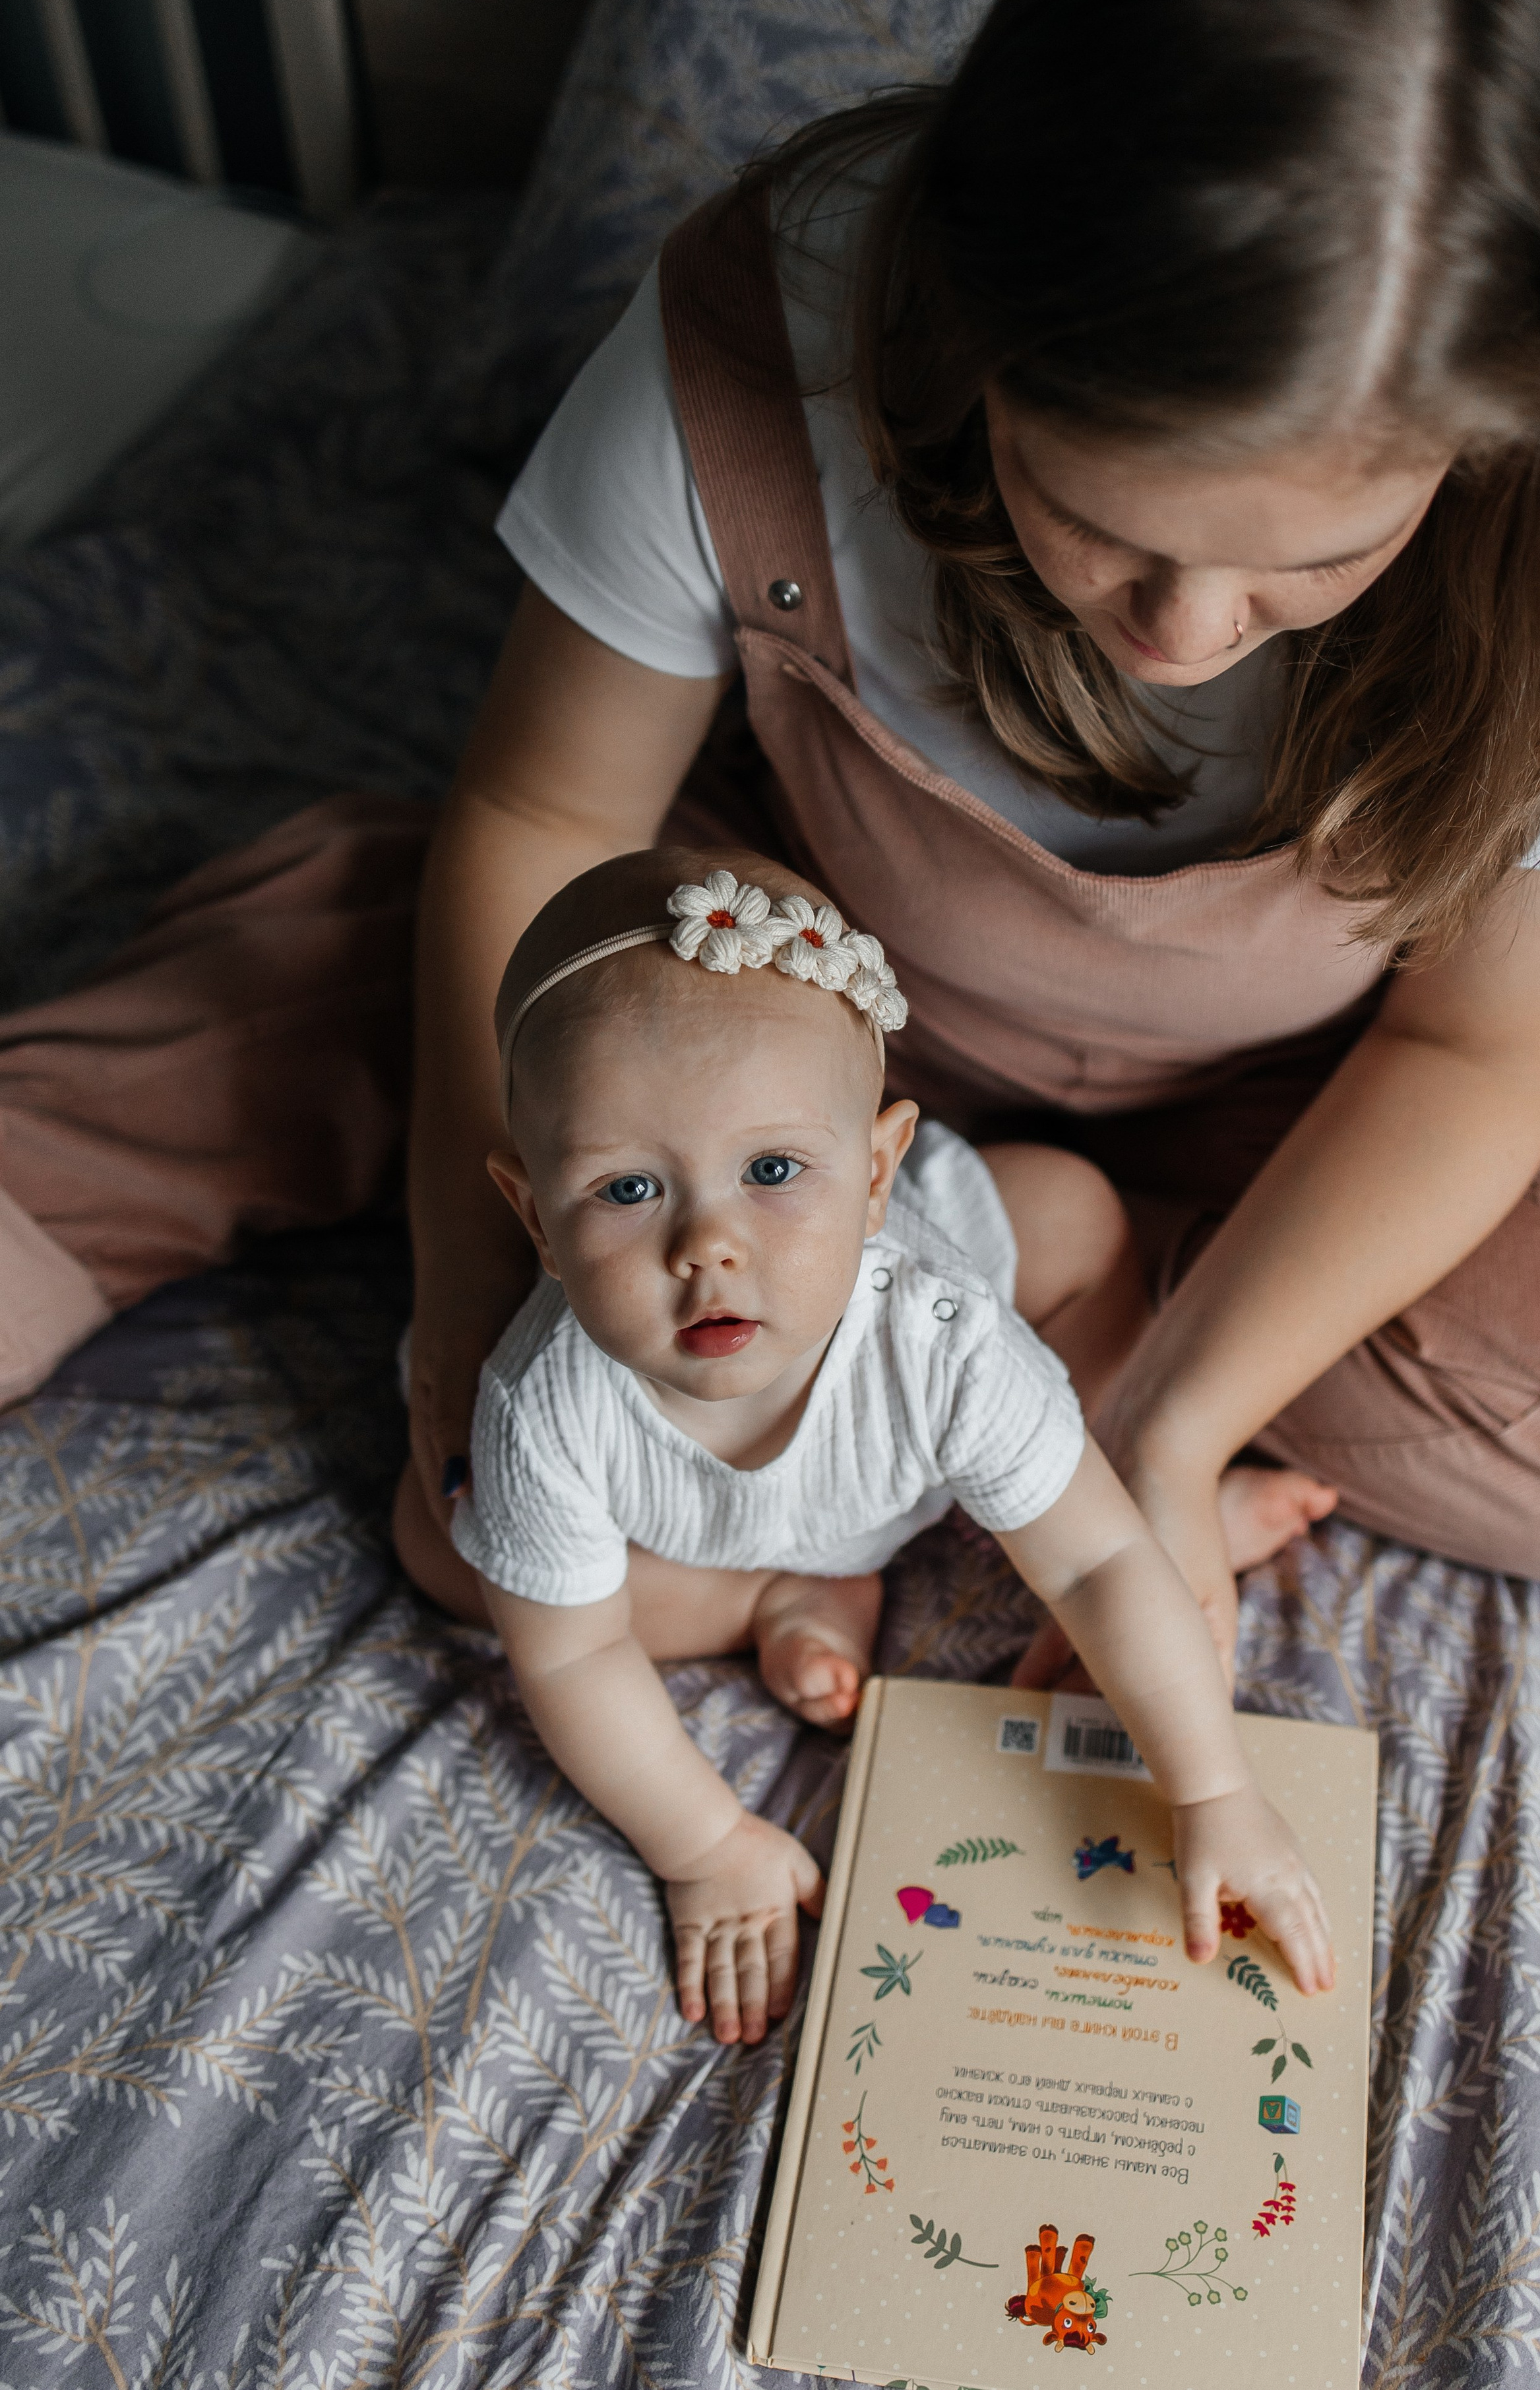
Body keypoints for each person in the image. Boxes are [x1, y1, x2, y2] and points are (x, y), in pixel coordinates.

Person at [2, 0, 1540, 1629]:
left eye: (1312, 564)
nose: (1182, 633)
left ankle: (1045, 1300)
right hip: (772, 961)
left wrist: (1177, 1431)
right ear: (978, 331)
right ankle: (356, 1013)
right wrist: (462, 1273)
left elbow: (1475, 1046)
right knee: (429, 1023)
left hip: (1306, 1085)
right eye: (1098, 523)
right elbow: (550, 814)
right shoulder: (776, 311)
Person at [419, 842, 1334, 2044]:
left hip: (914, 1449)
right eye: (629, 1191)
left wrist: (1212, 1786)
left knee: (1070, 1215)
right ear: (536, 1216)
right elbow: (579, 1656)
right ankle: (790, 1591)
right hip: (701, 1535)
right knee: (454, 1552)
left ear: (876, 1172)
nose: (710, 1245)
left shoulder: (940, 1338)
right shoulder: (546, 1404)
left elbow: (1100, 1568)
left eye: (774, 1169)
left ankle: (1155, 1499)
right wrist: (706, 1844)